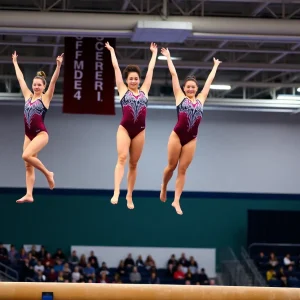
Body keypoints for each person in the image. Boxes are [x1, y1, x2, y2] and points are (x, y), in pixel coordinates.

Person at [159, 47, 222, 215]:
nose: (191, 89)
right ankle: (164, 186)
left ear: (196, 88)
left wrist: (215, 66)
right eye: (188, 87)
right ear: (184, 88)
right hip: (177, 136)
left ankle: (177, 201)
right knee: (172, 166)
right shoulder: (180, 97)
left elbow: (208, 82)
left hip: (191, 139)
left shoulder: (201, 99)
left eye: (193, 87)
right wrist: (168, 58)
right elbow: (173, 75)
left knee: (183, 170)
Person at [105, 41, 157, 209]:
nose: (133, 81)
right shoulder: (122, 89)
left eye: (136, 78)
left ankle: (129, 195)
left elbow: (150, 71)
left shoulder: (145, 90)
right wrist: (112, 51)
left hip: (140, 131)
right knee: (122, 158)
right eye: (131, 79)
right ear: (126, 81)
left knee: (133, 164)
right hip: (125, 129)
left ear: (139, 80)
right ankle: (116, 192)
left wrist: (154, 54)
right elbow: (115, 68)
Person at [12, 50, 64, 203]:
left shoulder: (45, 98)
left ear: (43, 86)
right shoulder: (28, 96)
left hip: (41, 134)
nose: (36, 86)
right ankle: (29, 194)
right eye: (34, 84)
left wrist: (58, 66)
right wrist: (15, 62)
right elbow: (20, 79)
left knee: (26, 156)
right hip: (28, 134)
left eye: (39, 85)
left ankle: (48, 174)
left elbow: (53, 81)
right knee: (28, 165)